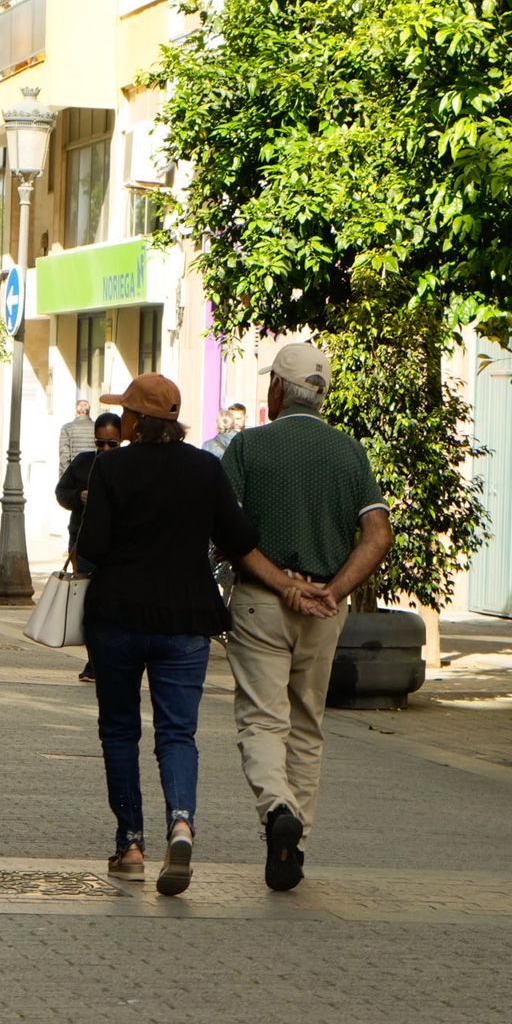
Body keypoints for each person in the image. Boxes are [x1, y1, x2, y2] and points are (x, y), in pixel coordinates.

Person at [79, 372, 335, 896]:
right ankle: (181, 823)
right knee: (177, 733)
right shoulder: (204, 468)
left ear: (136, 420)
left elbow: (93, 548)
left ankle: (130, 844)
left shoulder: (111, 467)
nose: (121, 419)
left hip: (118, 621)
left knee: (120, 732)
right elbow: (240, 537)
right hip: (187, 621)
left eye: (126, 412)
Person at [222, 342, 394, 892]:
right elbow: (378, 534)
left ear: (276, 389)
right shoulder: (349, 453)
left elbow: (227, 533)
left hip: (259, 603)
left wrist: (282, 584)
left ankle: (277, 811)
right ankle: (296, 846)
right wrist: (331, 592)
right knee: (307, 725)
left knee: (261, 720)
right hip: (324, 609)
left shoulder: (247, 448)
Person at [54, 411, 123, 682]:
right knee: (89, 603)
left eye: (112, 444)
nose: (105, 449)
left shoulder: (127, 465)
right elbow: (61, 493)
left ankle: (109, 661)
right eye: (100, 443)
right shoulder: (84, 463)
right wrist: (78, 496)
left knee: (111, 604)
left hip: (117, 546)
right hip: (83, 543)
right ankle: (94, 663)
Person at [57, 398, 96, 476]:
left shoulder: (67, 428)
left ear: (76, 411)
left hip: (74, 474)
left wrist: (66, 478)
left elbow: (64, 456)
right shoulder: (97, 427)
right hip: (93, 473)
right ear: (89, 411)